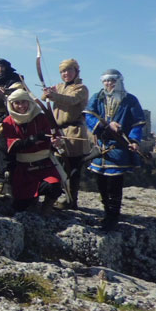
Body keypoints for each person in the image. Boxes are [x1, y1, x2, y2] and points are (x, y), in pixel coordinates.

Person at [83, 69, 145, 231]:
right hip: (102, 145)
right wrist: (104, 127)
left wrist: (133, 140)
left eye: (112, 81)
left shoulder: (130, 100)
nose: (108, 84)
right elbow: (89, 115)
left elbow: (137, 123)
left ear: (118, 81)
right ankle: (107, 213)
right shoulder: (97, 97)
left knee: (114, 184)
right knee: (101, 183)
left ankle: (113, 216)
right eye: (106, 81)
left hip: (118, 148)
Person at [1, 89, 62, 214]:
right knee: (20, 206)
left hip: (44, 164)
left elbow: (52, 139)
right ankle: (32, 199)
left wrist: (56, 143)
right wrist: (34, 139)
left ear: (29, 102)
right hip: (23, 168)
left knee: (54, 185)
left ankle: (47, 207)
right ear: (11, 104)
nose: (21, 106)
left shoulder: (41, 117)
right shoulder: (8, 121)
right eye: (17, 103)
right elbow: (14, 146)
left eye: (24, 102)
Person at [42, 59, 91, 210]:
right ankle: (56, 195)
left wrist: (53, 95)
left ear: (76, 71)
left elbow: (71, 100)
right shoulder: (59, 87)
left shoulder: (81, 88)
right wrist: (47, 93)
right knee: (58, 164)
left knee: (73, 167)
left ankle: (71, 199)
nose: (65, 74)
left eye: (69, 70)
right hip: (59, 131)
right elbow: (44, 98)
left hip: (73, 132)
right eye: (63, 71)